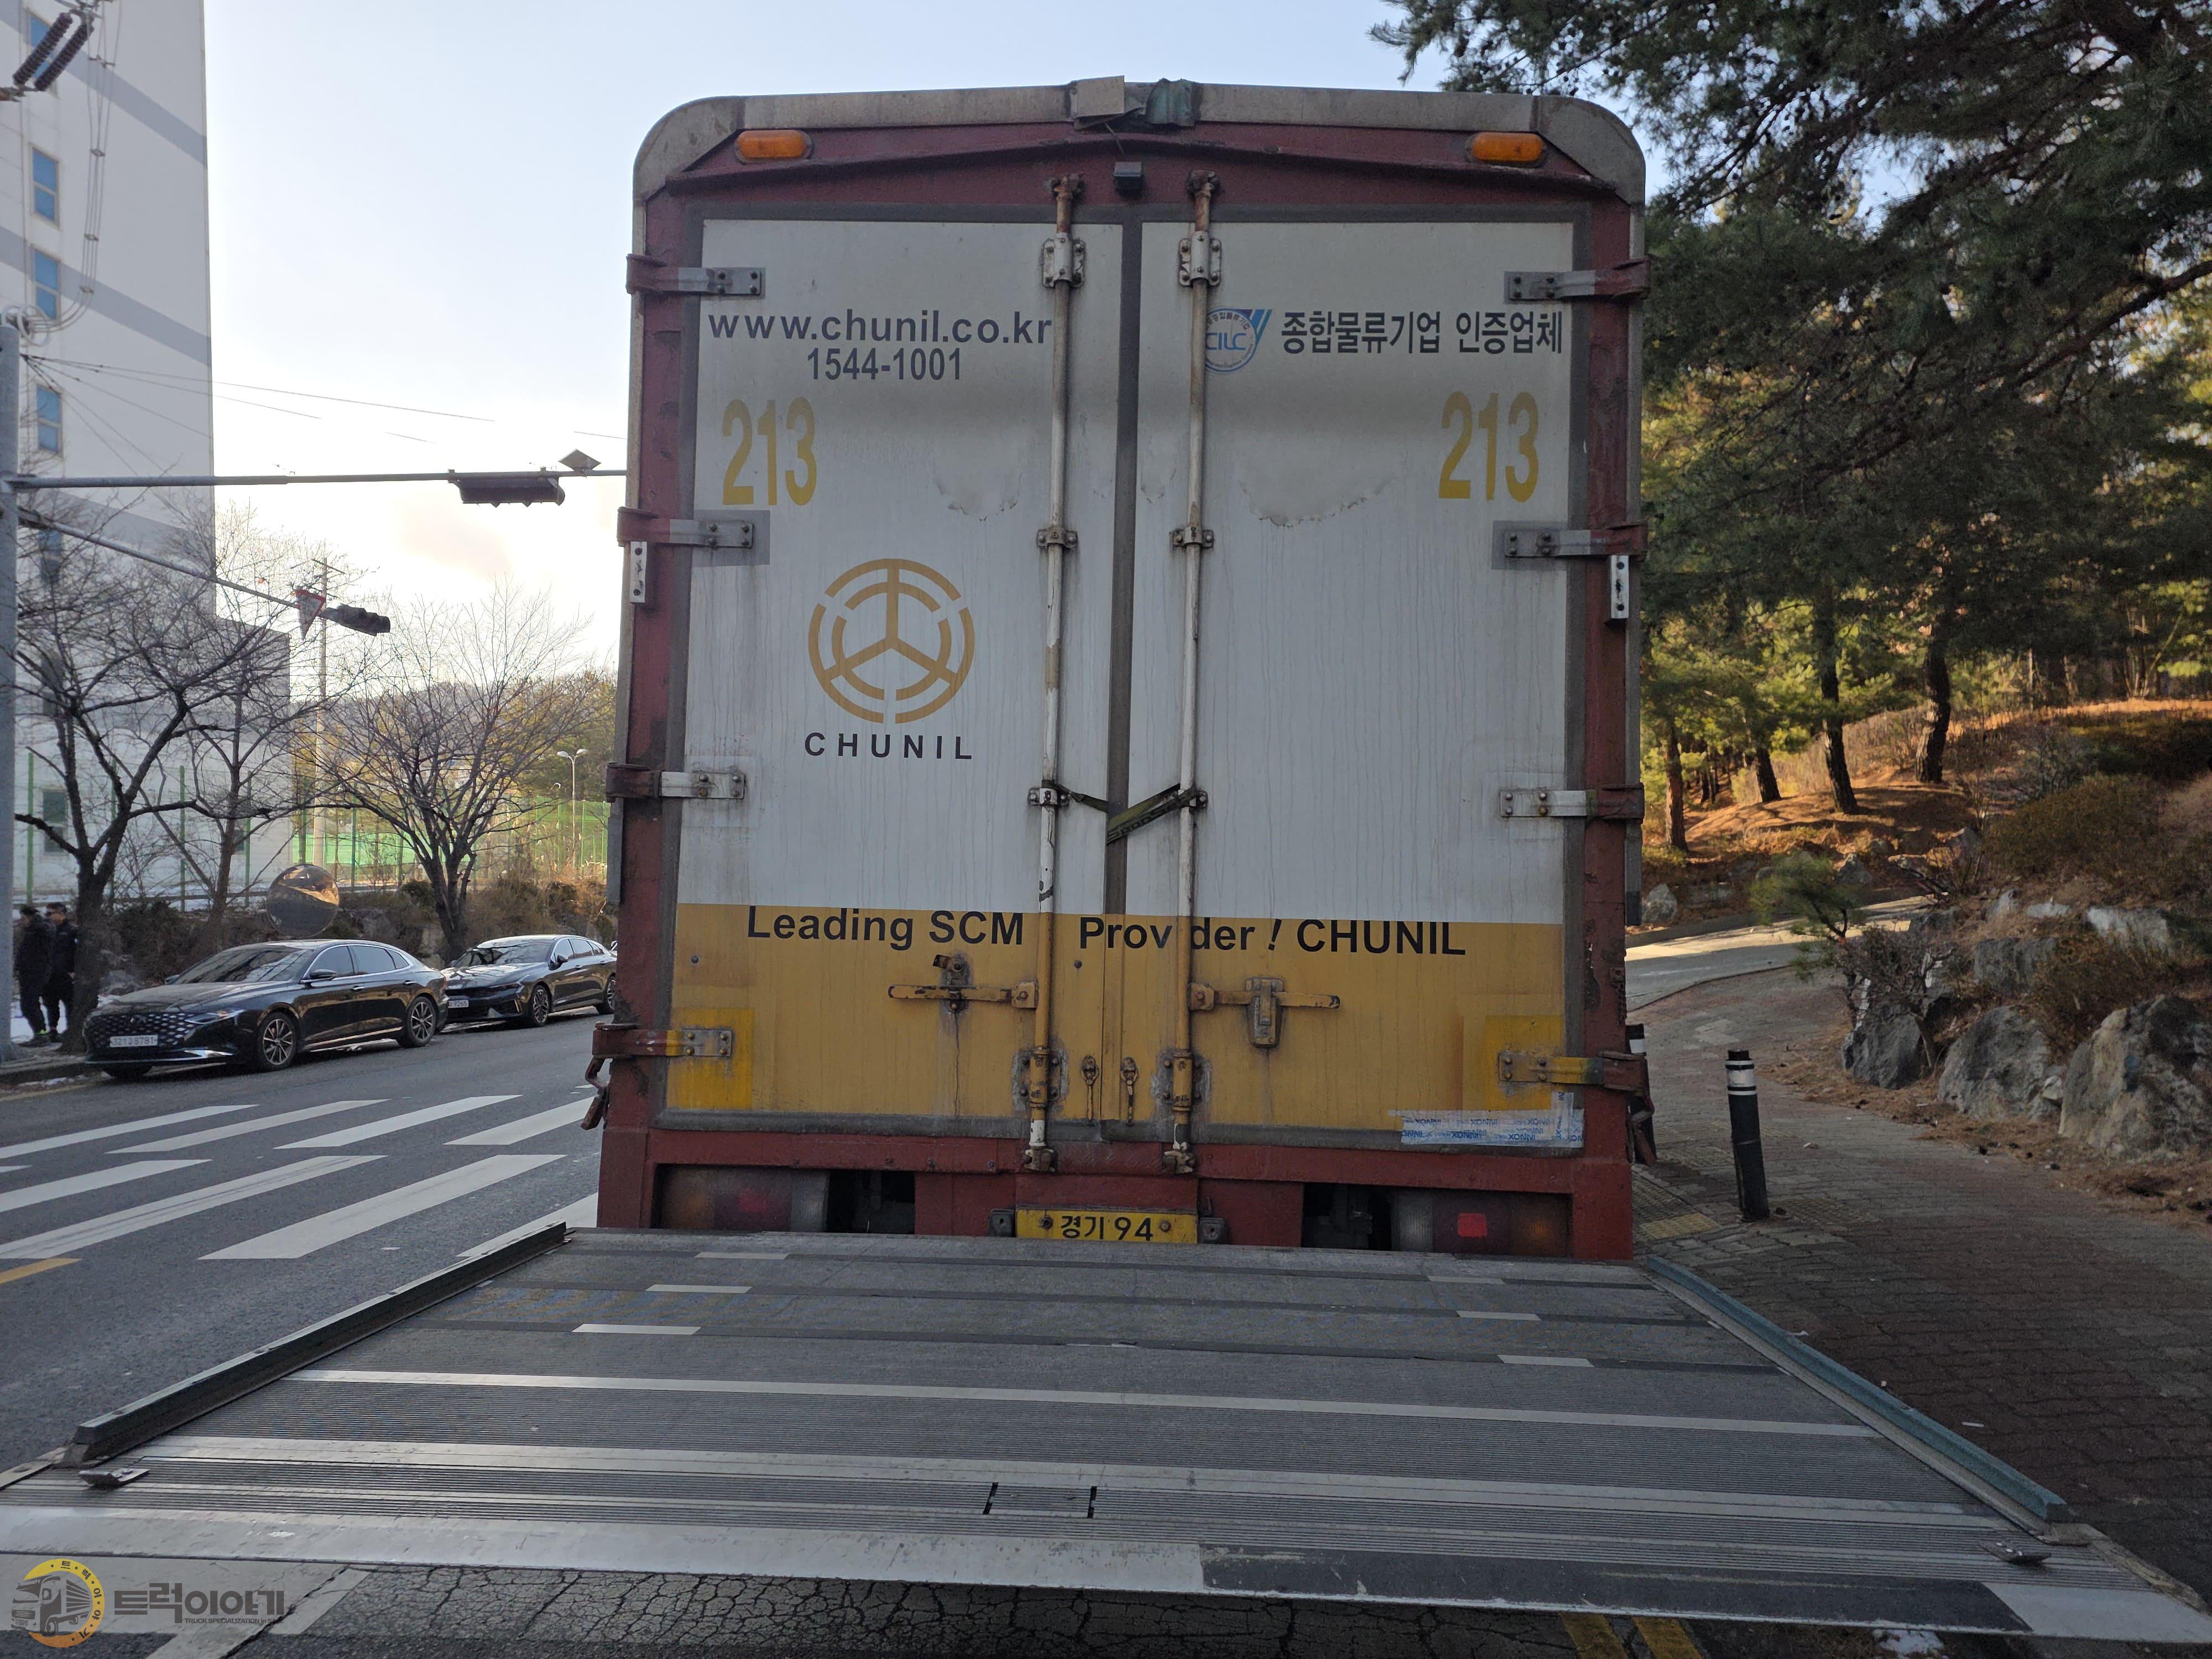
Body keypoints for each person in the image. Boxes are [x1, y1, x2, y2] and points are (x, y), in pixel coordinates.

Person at [14, 905, 53, 1046]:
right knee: (28, 1005)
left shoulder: (39, 931)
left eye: (23, 919)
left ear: (30, 918)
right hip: (29, 973)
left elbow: (36, 954)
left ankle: (41, 1034)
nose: (21, 921)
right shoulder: (32, 931)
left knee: (30, 1005)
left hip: (34, 974)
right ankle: (40, 1033)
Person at [40, 902, 76, 1042]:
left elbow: (76, 952)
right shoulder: (47, 931)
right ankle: (53, 1030)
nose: (47, 917)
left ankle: (71, 1030)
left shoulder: (71, 931)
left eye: (50, 914)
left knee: (70, 1004)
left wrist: (72, 971)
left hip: (65, 975)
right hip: (50, 975)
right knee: (51, 1005)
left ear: (61, 914)